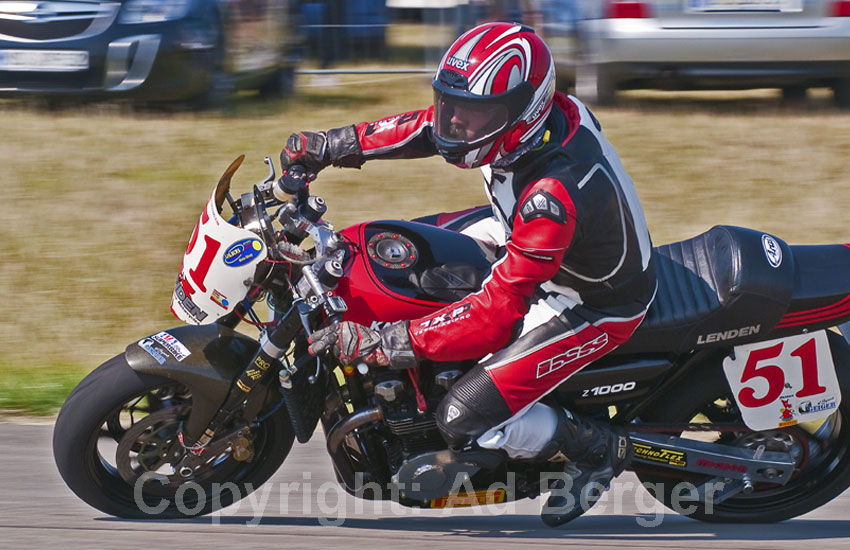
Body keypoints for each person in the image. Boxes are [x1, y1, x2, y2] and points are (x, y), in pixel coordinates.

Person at [282, 22, 656, 526]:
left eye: (472, 112)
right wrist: (333, 145)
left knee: (463, 414)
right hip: (525, 238)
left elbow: (495, 316)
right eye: (448, 104)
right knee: (390, 254)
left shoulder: (552, 195)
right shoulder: (527, 124)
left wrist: (383, 343)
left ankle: (595, 450)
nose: (454, 122)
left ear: (521, 114)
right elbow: (429, 128)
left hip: (588, 300)